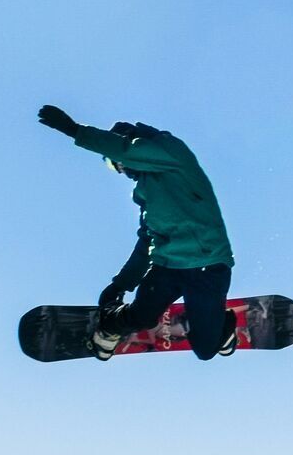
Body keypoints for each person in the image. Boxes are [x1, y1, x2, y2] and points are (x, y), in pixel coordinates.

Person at [36, 105, 238, 360]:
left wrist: (73, 130)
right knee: (140, 316)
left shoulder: (172, 153)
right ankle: (109, 326)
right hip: (169, 266)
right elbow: (146, 245)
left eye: (116, 165)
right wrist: (120, 283)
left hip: (207, 264)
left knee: (206, 350)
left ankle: (217, 325)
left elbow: (127, 150)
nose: (121, 171)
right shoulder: (145, 194)